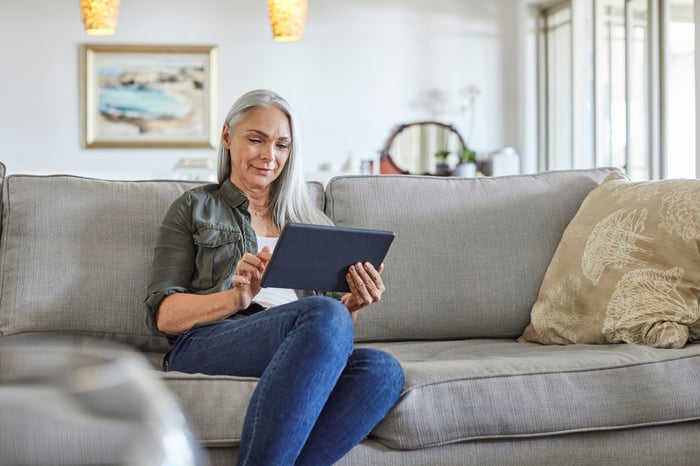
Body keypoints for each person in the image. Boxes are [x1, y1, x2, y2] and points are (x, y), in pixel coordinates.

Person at [145, 89, 405, 466]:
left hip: (297, 341)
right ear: (226, 137)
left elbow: (330, 336)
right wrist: (235, 298)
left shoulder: (312, 224)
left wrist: (352, 306)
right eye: (256, 140)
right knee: (323, 315)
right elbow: (165, 317)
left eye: (282, 145)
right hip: (210, 340)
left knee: (382, 371)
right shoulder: (194, 207)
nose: (269, 156)